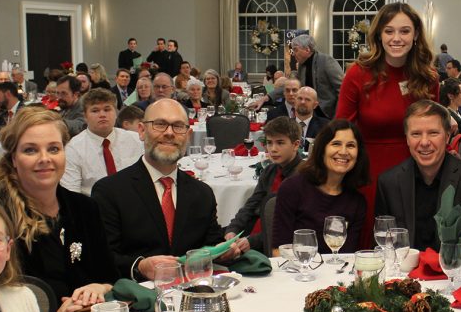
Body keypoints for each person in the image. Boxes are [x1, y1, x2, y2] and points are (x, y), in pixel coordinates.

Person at [0, 107, 118, 312]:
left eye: (53, 149)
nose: (45, 159)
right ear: (14, 158)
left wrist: (99, 287)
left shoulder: (84, 208)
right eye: (30, 150)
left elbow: (110, 277)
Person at [92, 99, 242, 281]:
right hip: (139, 292)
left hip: (193, 291)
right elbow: (103, 256)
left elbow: (211, 244)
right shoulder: (110, 191)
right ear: (141, 130)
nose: (169, 133)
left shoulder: (202, 193)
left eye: (178, 126)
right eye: (160, 124)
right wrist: (139, 266)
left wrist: (225, 251)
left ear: (188, 135)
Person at [335, 2, 440, 227]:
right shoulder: (358, 74)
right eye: (389, 31)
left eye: (404, 31)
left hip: (417, 171)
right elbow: (341, 131)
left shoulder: (428, 77)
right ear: (379, 35)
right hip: (368, 173)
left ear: (416, 35)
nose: (396, 38)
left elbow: (434, 130)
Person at [375, 100, 461, 258]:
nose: (424, 142)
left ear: (447, 136)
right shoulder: (389, 183)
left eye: (433, 133)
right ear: (407, 139)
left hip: (455, 271)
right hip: (404, 272)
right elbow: (383, 250)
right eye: (416, 134)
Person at [272, 119, 368, 255]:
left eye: (351, 145)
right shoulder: (292, 188)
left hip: (338, 268)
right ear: (322, 149)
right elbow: (278, 251)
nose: (343, 151)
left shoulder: (357, 201)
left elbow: (348, 256)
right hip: (297, 267)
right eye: (336, 144)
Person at [224, 117, 303, 254]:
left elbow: (292, 224)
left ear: (296, 145)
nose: (273, 149)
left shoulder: (303, 176)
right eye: (269, 143)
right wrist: (233, 229)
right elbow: (252, 204)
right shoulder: (270, 170)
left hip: (281, 243)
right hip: (255, 230)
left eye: (280, 143)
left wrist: (253, 241)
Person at [61, 88, 144, 195]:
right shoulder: (73, 149)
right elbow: (71, 193)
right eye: (95, 111)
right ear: (85, 117)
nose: (102, 115)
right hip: (94, 203)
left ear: (116, 113)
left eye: (107, 109)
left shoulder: (136, 140)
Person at [291, 34, 344, 118]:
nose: (293, 54)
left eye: (295, 50)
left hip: (328, 114)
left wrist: (339, 114)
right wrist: (270, 96)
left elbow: (342, 89)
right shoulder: (302, 65)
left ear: (307, 49)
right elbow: (292, 84)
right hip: (310, 113)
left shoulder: (326, 61)